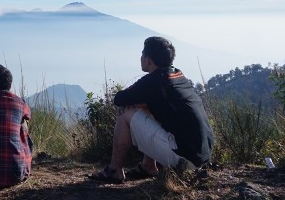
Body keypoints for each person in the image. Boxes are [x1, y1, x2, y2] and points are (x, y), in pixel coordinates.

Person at [89, 36, 214, 183]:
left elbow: (119, 99)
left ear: (148, 60)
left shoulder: (154, 80)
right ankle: (148, 165)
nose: (141, 58)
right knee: (149, 108)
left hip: (184, 159)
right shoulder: (178, 75)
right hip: (201, 157)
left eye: (142, 54)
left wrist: (138, 104)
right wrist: (145, 104)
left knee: (125, 113)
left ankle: (114, 170)